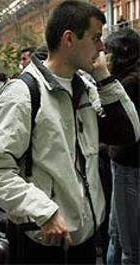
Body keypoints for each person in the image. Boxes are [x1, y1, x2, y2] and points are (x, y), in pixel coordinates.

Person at [0, 1, 140, 264]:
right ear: (69, 39)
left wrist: (105, 78)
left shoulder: (84, 88)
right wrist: (44, 211)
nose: (101, 47)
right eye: (96, 38)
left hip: (82, 238)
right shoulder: (24, 94)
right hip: (44, 238)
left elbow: (128, 132)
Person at [104, 28, 140, 265]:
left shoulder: (129, 83)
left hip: (129, 165)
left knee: (130, 246)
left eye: (106, 51)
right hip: (123, 164)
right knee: (116, 235)